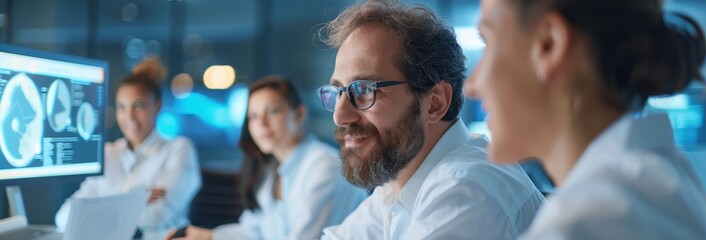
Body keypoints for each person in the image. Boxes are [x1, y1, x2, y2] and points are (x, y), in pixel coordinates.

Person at [465, 0, 706, 238]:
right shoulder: (663, 183)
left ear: (548, 44)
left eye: (488, 42)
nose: (471, 86)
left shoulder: (580, 226)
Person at [316, 1, 545, 239]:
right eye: (337, 92)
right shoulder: (400, 182)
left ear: (435, 103)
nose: (339, 116)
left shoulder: (464, 188)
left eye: (364, 90)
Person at [166, 75, 367, 240]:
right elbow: (254, 231)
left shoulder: (324, 165)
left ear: (299, 115)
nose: (260, 123)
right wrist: (208, 236)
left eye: (272, 111)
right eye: (253, 116)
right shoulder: (271, 170)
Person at [55, 57, 201, 232]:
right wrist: (137, 199)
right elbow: (63, 217)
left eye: (138, 106)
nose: (129, 116)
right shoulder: (108, 154)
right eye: (121, 107)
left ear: (157, 106)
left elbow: (155, 217)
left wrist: (97, 209)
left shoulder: (179, 149)